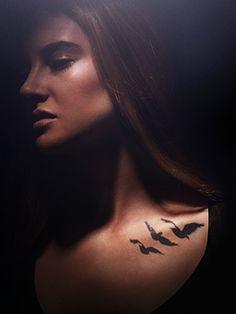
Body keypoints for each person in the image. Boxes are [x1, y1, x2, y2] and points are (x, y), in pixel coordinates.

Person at [2, 0, 233, 313]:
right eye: (25, 70)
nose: (27, 87)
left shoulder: (224, 236)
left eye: (59, 61)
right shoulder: (19, 251)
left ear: (122, 67)